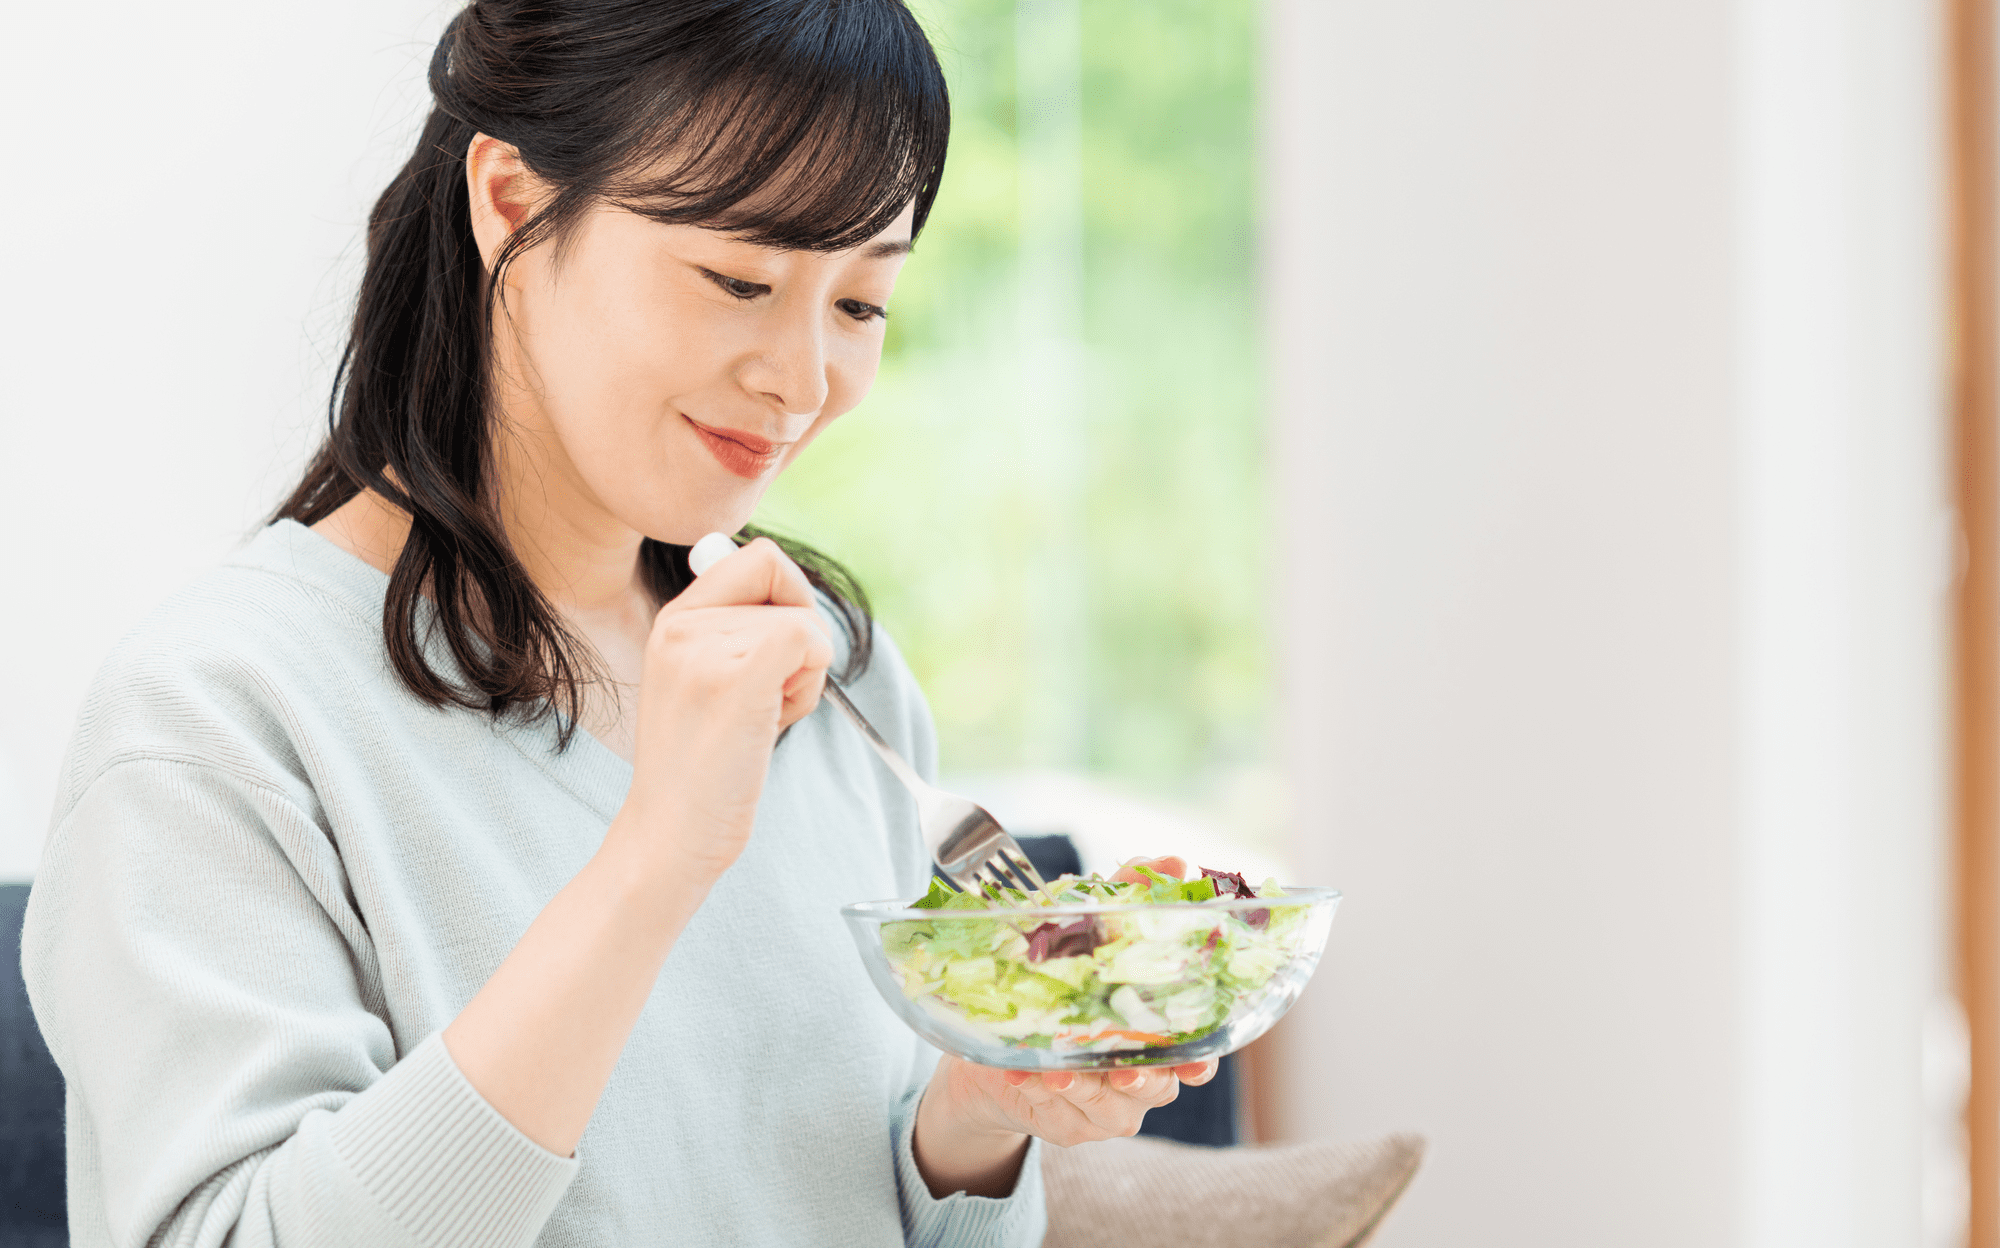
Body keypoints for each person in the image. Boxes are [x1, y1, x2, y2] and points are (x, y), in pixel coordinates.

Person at [20, 2, 1216, 1245]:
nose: (802, 382)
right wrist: (653, 860)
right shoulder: (217, 718)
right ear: (514, 203)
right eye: (738, 278)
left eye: (860, 304)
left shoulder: (829, 675)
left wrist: (967, 1124)